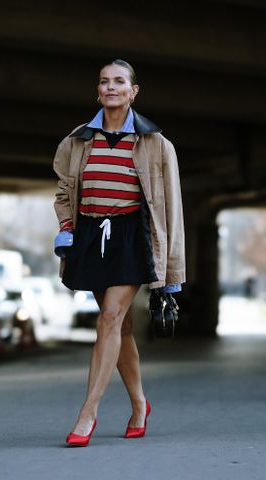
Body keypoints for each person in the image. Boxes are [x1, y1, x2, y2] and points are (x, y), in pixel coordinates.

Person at [53, 59, 185, 447]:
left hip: (132, 236)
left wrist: (172, 273)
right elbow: (64, 194)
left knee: (110, 318)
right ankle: (141, 404)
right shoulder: (76, 141)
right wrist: (65, 228)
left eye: (119, 81)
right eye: (104, 82)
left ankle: (86, 414)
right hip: (93, 237)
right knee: (120, 327)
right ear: (98, 91)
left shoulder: (157, 144)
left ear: (133, 91)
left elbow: (171, 208)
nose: (111, 87)